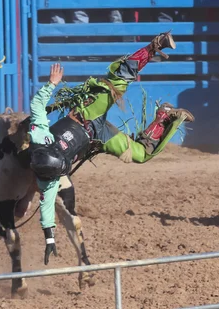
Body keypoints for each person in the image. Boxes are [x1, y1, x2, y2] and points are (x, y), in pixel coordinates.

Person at [27, 31, 195, 264]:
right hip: (96, 138)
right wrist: (49, 239)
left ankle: (156, 44)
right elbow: (46, 210)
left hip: (86, 114)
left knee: (118, 82)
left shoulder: (39, 136)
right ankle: (164, 116)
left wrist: (51, 84)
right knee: (140, 154)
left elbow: (37, 105)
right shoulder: (48, 179)